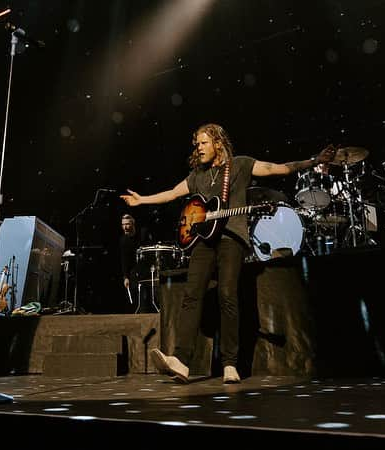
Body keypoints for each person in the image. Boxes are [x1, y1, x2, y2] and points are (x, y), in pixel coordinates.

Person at [121, 123, 335, 384]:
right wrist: (142, 200)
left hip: (231, 238)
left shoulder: (240, 165)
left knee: (227, 296)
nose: (198, 148)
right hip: (202, 241)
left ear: (217, 143)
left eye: (203, 143)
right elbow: (172, 193)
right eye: (196, 144)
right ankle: (181, 361)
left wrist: (313, 161)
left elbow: (276, 168)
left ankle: (230, 364)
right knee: (191, 295)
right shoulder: (197, 175)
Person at [118, 213, 153, 313]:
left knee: (148, 292)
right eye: (123, 225)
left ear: (133, 224)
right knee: (134, 292)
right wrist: (125, 277)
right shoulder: (123, 240)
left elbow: (151, 249)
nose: (125, 227)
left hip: (147, 267)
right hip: (134, 269)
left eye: (127, 224)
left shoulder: (143, 233)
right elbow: (124, 260)